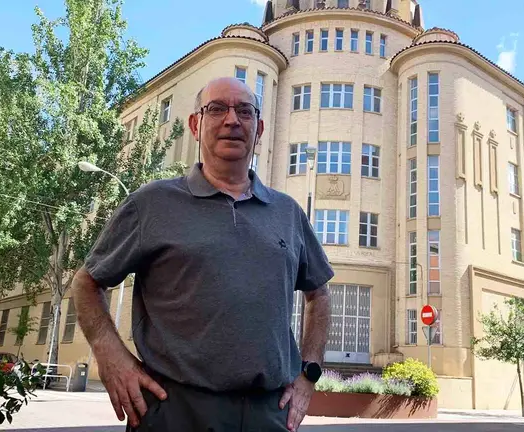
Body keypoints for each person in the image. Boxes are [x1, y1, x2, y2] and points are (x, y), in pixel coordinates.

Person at [73, 77, 333, 432]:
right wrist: (109, 353)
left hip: (270, 414)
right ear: (196, 124)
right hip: (175, 411)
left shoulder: (287, 212)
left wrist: (309, 374)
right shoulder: (152, 204)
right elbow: (86, 283)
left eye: (245, 111)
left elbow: (319, 294)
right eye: (217, 109)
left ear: (258, 129)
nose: (232, 120)